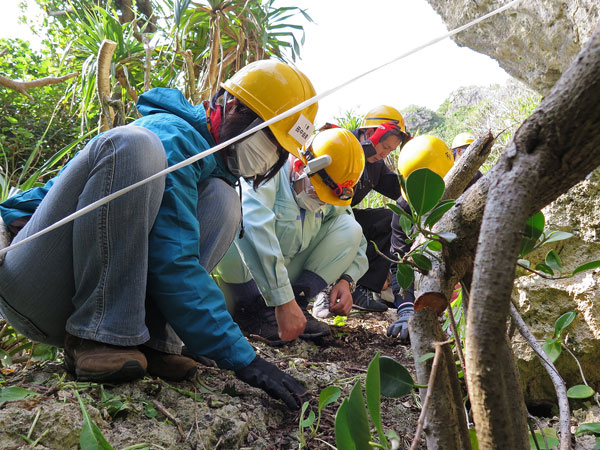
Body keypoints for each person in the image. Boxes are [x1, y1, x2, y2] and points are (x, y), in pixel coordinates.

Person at [0, 59, 318, 410]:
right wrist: (246, 361)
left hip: (72, 290)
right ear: (233, 107)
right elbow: (174, 260)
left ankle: (153, 344)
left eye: (279, 149)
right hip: (33, 282)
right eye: (268, 139)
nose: (269, 155)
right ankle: (100, 334)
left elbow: (174, 248)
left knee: (223, 200)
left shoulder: (213, 168)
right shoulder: (169, 134)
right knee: (134, 144)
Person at [215, 127, 367, 343]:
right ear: (300, 166)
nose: (321, 201)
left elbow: (357, 240)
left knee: (350, 228)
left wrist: (346, 280)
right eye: (316, 191)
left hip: (284, 276)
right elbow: (253, 223)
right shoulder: (269, 171)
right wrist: (281, 300)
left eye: (326, 198)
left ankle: (296, 305)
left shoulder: (328, 195)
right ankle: (248, 310)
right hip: (245, 275)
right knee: (236, 217)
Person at [313, 105, 411, 318]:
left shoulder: (376, 164)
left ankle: (361, 289)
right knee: (344, 224)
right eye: (383, 146)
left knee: (387, 219)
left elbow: (397, 190)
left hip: (346, 220)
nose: (384, 153)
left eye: (391, 150)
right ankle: (323, 288)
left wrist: (417, 172)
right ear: (369, 133)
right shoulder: (341, 142)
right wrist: (365, 150)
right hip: (318, 219)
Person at [387, 135, 454, 343]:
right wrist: (406, 309)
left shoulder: (474, 188)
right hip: (425, 279)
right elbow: (400, 261)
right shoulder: (404, 208)